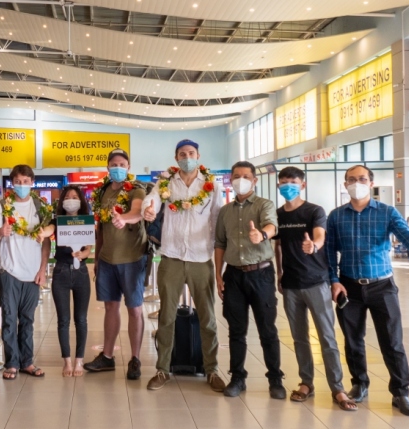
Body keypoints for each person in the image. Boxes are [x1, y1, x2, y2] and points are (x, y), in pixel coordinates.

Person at [327, 165, 409, 417]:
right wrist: (334, 280)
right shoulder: (336, 216)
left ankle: (400, 392)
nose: (357, 183)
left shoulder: (386, 212)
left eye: (362, 179)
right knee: (353, 340)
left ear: (371, 183)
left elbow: (406, 235)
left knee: (392, 341)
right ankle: (359, 384)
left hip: (382, 286)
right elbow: (329, 252)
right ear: (345, 185)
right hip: (349, 286)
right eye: (352, 180)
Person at [142, 140, 226, 392]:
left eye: (191, 154)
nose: (187, 157)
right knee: (166, 317)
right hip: (172, 256)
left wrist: (218, 254)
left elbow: (217, 218)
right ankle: (163, 369)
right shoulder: (166, 182)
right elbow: (153, 199)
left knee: (208, 318)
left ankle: (211, 369)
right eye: (182, 154)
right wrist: (148, 209)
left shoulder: (211, 185)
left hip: (201, 257)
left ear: (198, 156)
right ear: (176, 157)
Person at [272, 166, 356, 411]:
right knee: (299, 338)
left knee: (327, 337)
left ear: (302, 185)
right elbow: (278, 248)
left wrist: (314, 246)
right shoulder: (278, 214)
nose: (288, 186)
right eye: (284, 182)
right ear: (279, 186)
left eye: (293, 182)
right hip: (290, 285)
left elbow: (320, 235)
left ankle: (338, 388)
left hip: (316, 283)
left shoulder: (314, 211)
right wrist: (279, 273)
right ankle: (306, 383)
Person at [214, 161, 285, 399]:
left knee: (267, 329)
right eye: (236, 176)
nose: (240, 180)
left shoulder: (265, 204)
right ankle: (237, 378)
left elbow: (272, 225)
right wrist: (218, 274)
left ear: (254, 180)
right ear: (230, 180)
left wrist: (262, 234)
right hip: (233, 275)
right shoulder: (225, 212)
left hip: (261, 274)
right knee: (236, 330)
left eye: (245, 176)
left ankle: (275, 379)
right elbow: (220, 244)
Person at [84, 148, 148, 380]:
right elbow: (101, 227)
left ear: (128, 167)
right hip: (108, 260)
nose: (118, 168)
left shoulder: (136, 189)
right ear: (108, 167)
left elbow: (137, 212)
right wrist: (98, 256)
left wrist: (124, 218)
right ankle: (107, 357)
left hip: (132, 259)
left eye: (122, 164)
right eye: (114, 164)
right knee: (111, 307)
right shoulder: (102, 192)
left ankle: (135, 359)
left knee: (135, 309)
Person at [0, 165, 54, 380]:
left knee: (28, 320)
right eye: (18, 181)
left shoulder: (40, 206)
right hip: (10, 272)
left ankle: (27, 362)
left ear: (32, 183)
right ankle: (12, 363)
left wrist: (43, 270)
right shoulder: (2, 206)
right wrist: (1, 231)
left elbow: (46, 243)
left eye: (26, 181)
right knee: (9, 319)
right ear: (12, 183)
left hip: (33, 273)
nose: (22, 185)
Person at [51, 186, 92, 377]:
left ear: (81, 200)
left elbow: (89, 248)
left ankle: (79, 361)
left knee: (81, 319)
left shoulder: (86, 222)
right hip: (60, 272)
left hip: (81, 273)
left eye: (75, 197)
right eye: (67, 197)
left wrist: (83, 254)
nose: (71, 200)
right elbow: (46, 231)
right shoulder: (57, 222)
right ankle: (67, 361)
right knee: (63, 320)